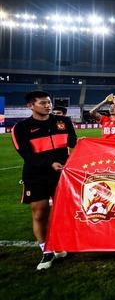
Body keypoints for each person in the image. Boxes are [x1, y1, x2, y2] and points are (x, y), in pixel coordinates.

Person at [11, 90, 77, 270]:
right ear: (30, 106)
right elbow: (27, 155)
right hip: (36, 175)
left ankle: (60, 245)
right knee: (40, 213)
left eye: (49, 102)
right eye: (43, 103)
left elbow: (73, 143)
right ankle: (46, 250)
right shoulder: (21, 128)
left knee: (62, 212)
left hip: (61, 174)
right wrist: (49, 164)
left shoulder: (64, 121)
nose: (48, 105)